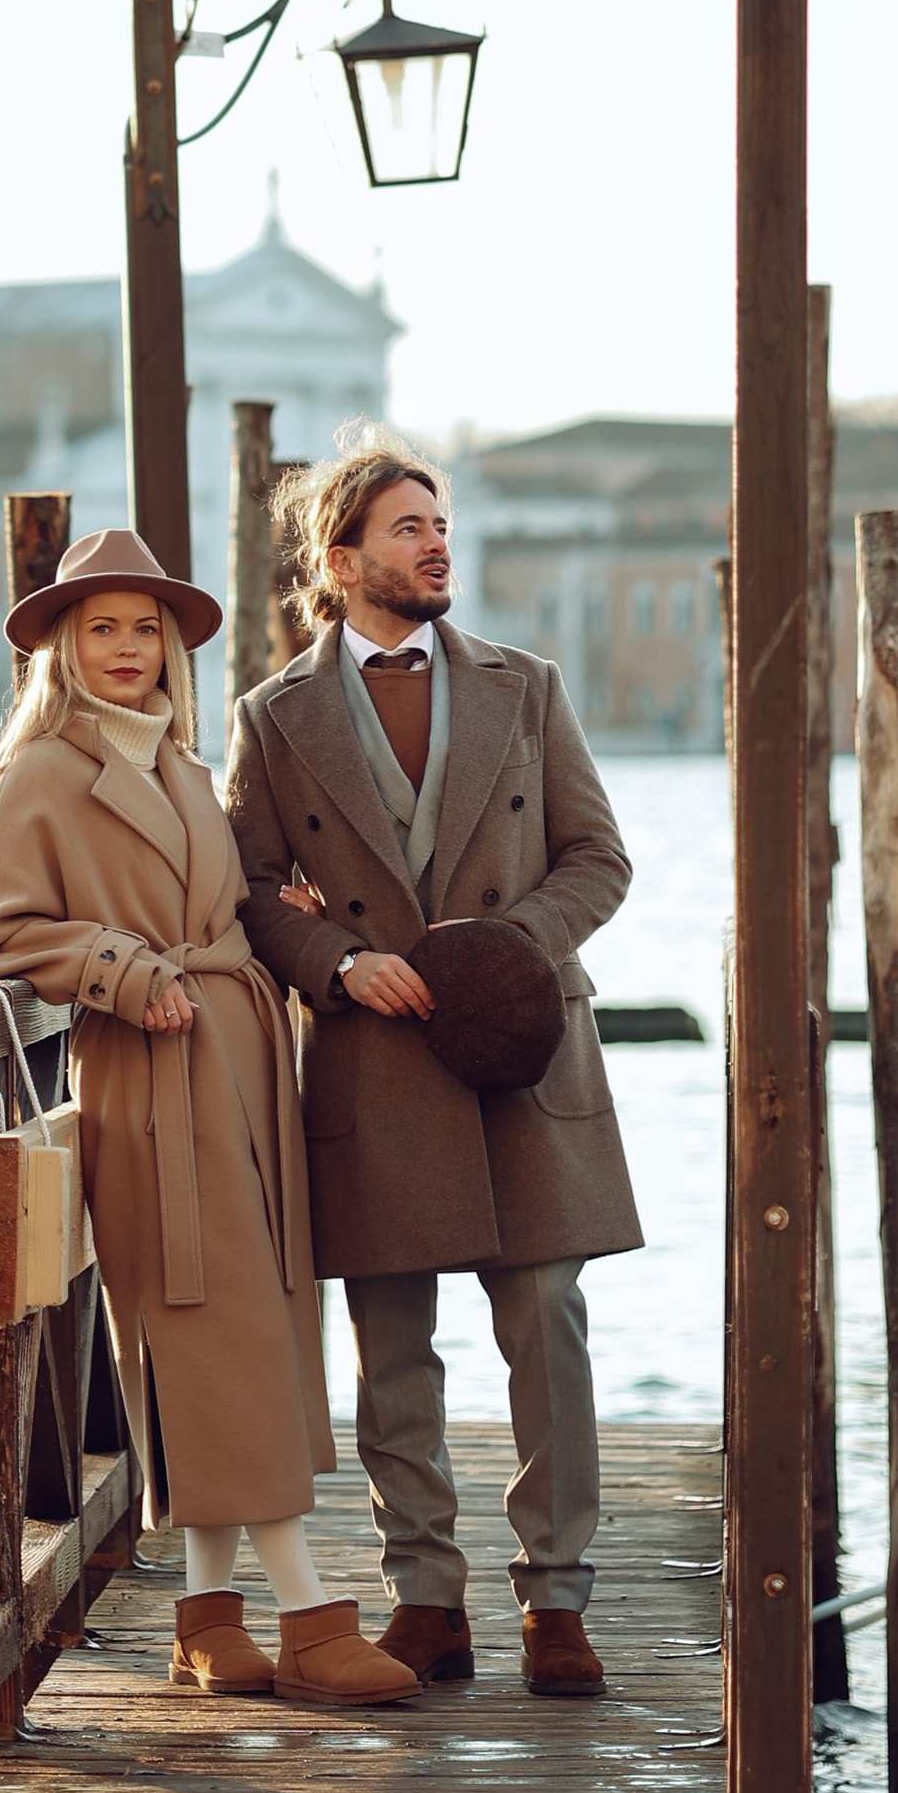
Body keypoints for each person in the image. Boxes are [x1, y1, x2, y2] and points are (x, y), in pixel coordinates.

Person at [0, 526, 416, 1707]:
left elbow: (211, 890)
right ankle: (311, 1612)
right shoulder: (42, 771)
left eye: (145, 627)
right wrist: (120, 966)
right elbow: (0, 937)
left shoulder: (179, 761)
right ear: (63, 643)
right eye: (102, 626)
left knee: (252, 1329)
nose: (127, 647)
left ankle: (205, 1613)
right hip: (152, 1078)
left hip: (243, 1063)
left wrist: (270, 903)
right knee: (215, 1334)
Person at [225, 433, 640, 1697]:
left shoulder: (527, 685)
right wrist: (339, 965)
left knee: (546, 1329)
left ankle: (554, 1604)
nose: (435, 543)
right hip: (374, 1060)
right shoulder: (272, 717)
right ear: (338, 559)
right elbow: (247, 890)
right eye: (406, 527)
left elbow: (597, 859)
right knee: (390, 1351)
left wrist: (502, 954)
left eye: (438, 521)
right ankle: (427, 1598)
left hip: (520, 1053)